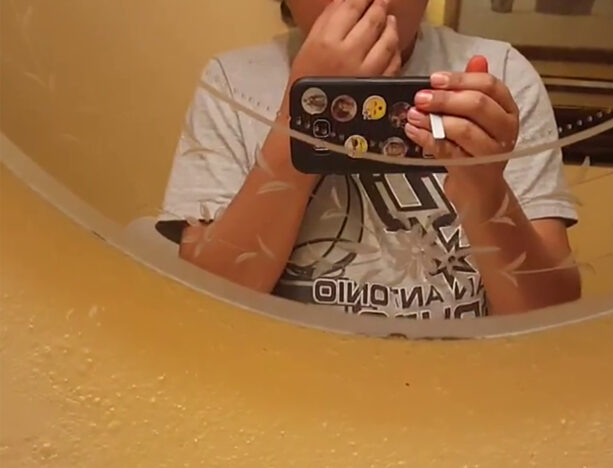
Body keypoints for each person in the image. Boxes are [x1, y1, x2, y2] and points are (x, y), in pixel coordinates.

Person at [158, 0, 581, 319]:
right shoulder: (233, 84)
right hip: (284, 385)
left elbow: (550, 315)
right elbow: (207, 305)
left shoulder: (497, 78)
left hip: (455, 387)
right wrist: (302, 117)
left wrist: (485, 191)